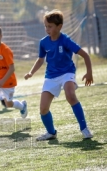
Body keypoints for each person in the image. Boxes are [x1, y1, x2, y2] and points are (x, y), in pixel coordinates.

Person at [24, 9, 93, 140]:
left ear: (59, 26)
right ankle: (51, 132)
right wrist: (31, 72)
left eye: (50, 26)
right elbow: (40, 60)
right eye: (45, 26)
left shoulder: (65, 40)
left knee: (71, 96)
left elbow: (85, 55)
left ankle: (84, 129)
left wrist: (89, 72)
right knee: (43, 109)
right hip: (51, 76)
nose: (47, 29)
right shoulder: (43, 42)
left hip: (67, 72)